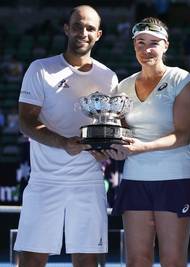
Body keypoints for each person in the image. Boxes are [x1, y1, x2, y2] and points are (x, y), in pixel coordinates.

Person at [13, 5, 118, 267]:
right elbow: (26, 122)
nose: (84, 32)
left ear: (99, 34)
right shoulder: (40, 69)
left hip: (89, 181)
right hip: (44, 181)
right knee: (31, 259)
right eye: (78, 26)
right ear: (67, 29)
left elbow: (111, 125)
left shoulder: (109, 77)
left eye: (90, 28)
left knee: (87, 260)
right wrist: (63, 143)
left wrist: (107, 146)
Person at [106, 17, 190, 267]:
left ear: (166, 45)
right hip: (135, 178)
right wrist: (116, 146)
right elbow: (123, 131)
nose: (146, 49)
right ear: (133, 45)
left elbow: (182, 135)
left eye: (153, 43)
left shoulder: (181, 79)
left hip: (174, 177)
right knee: (137, 260)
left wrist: (141, 147)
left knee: (172, 260)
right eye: (140, 43)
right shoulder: (123, 86)